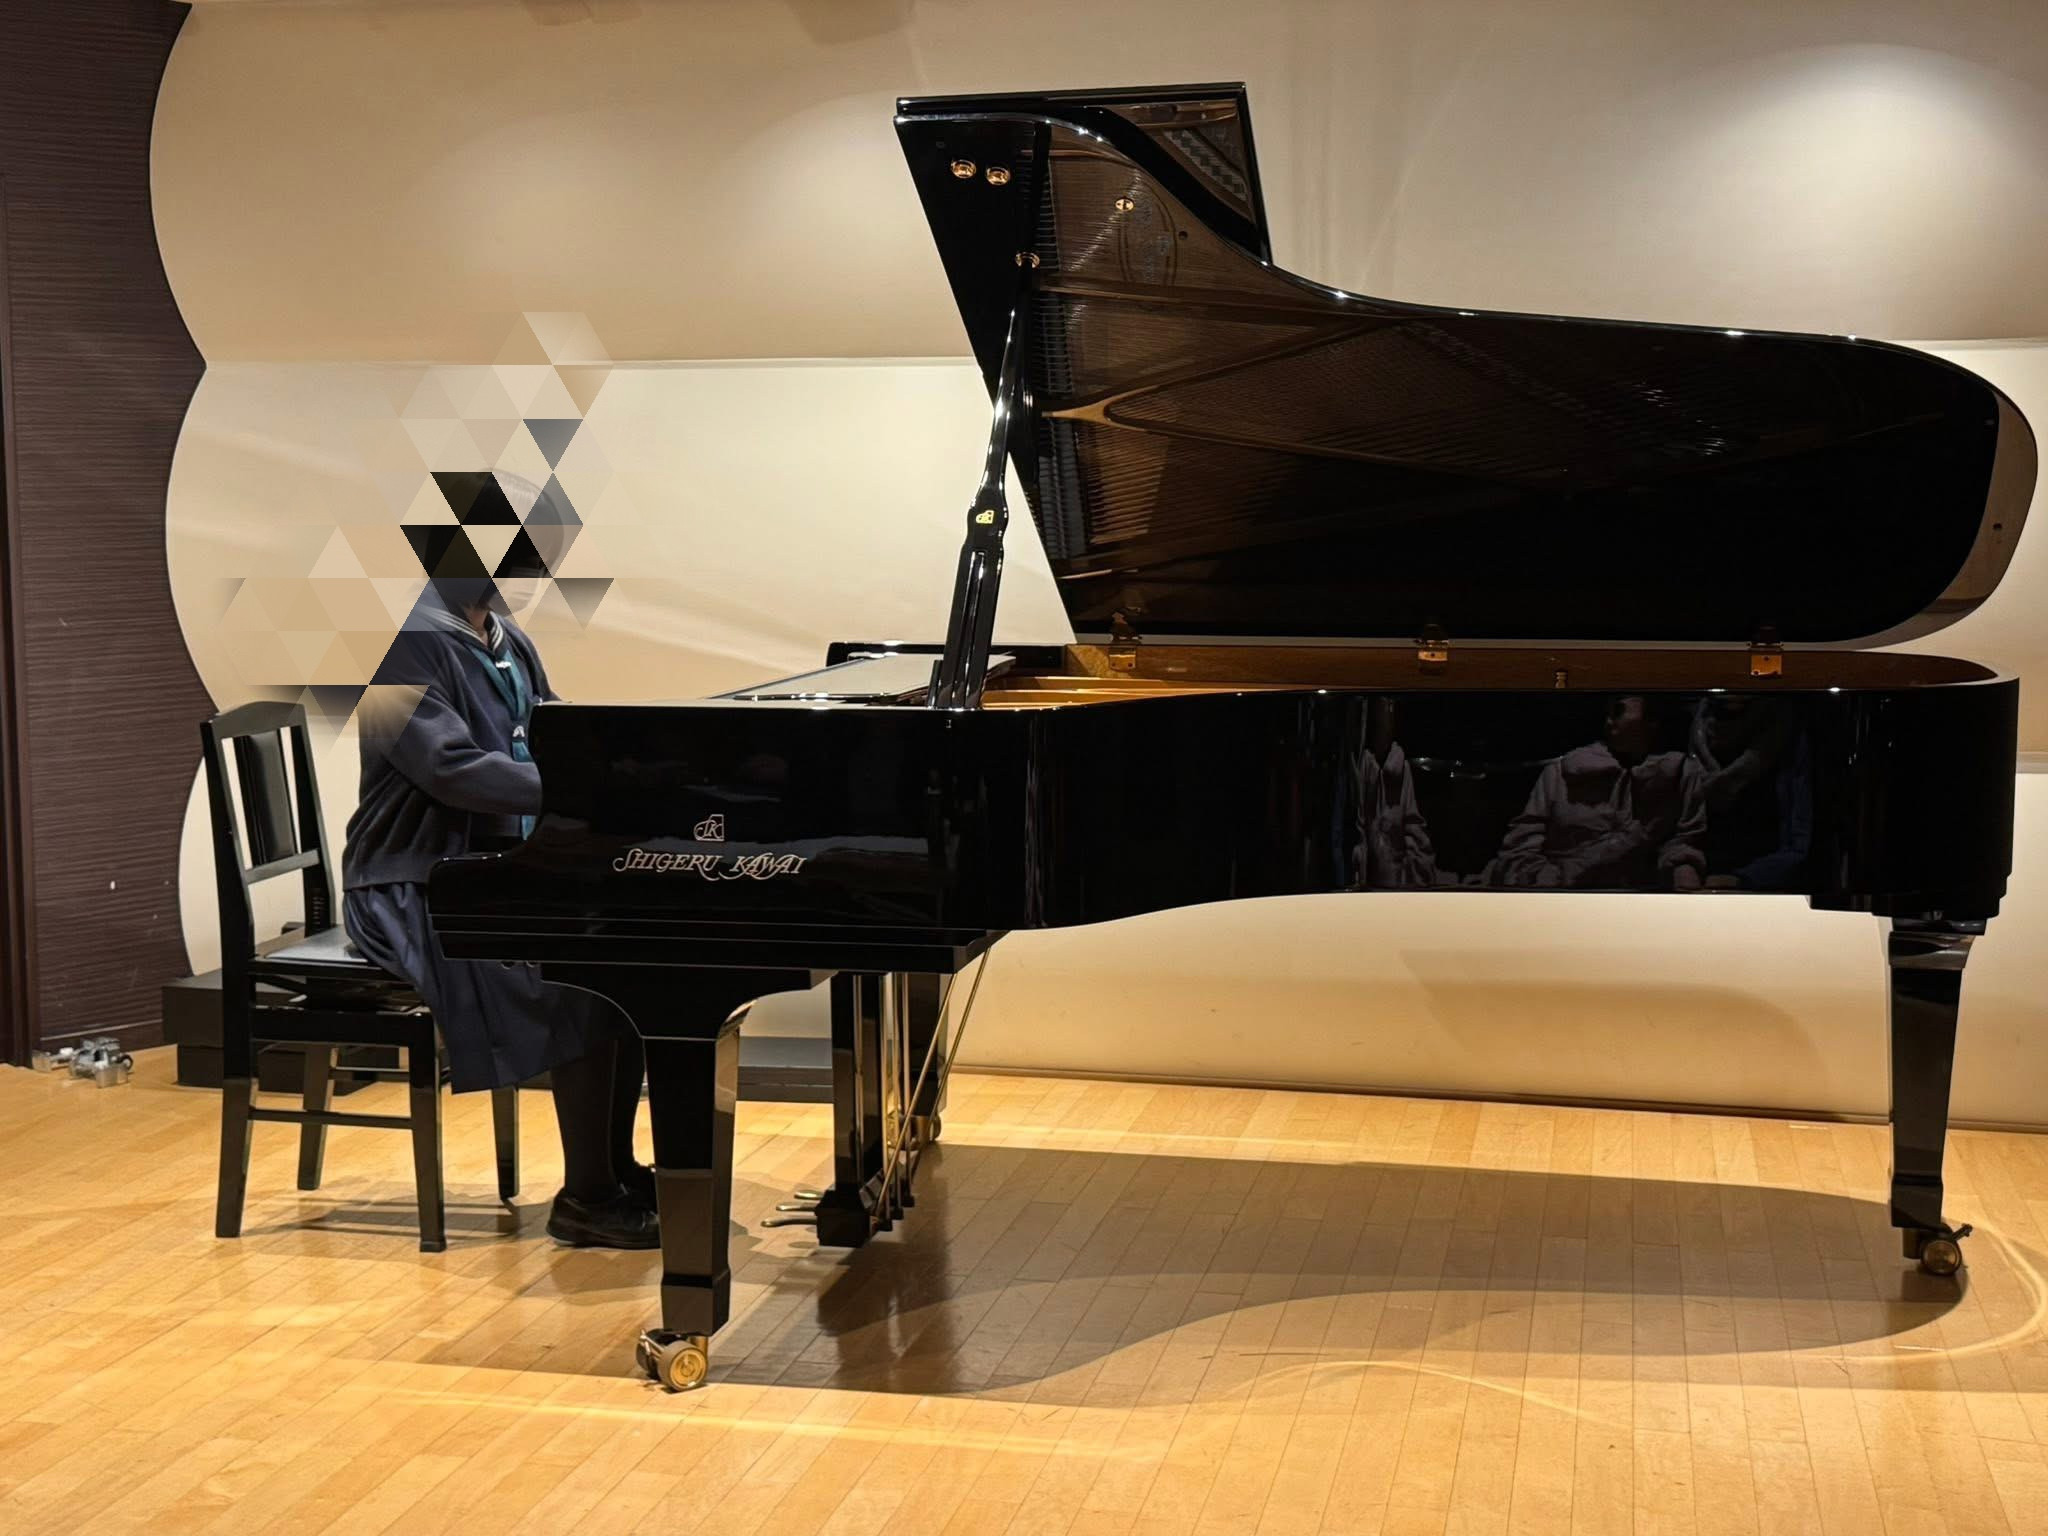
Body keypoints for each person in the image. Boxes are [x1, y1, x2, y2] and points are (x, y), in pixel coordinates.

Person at [342, 566, 658, 1249]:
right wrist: (585, 791)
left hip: (486, 868)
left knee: (623, 962)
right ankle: (587, 1197)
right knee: (575, 978)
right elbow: (451, 771)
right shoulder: (392, 650)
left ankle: (615, 1169)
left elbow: (555, 730)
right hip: (412, 879)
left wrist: (626, 766)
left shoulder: (507, 638)